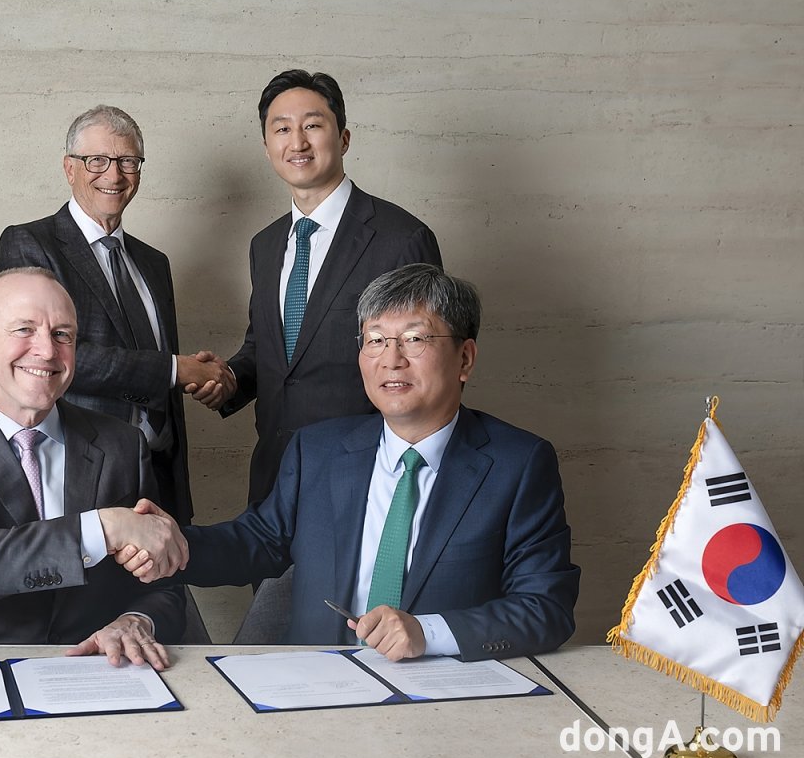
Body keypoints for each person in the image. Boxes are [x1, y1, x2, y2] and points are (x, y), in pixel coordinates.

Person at [124, 264, 579, 662]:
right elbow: (254, 543)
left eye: (415, 339)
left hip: (443, 694)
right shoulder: (318, 450)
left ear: (465, 358)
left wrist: (428, 633)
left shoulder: (518, 465)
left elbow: (546, 608)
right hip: (319, 688)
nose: (392, 360)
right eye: (375, 340)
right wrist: (170, 542)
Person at [0, 268, 189, 668]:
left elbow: (165, 580)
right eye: (24, 329)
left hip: (98, 670)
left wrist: (137, 620)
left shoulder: (123, 444)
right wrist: (101, 528)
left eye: (63, 335)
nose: (47, 350)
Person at [189, 70, 443, 506]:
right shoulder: (265, 245)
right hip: (274, 478)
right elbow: (271, 349)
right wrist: (229, 379)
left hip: (367, 477)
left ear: (343, 138)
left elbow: (428, 366)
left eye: (312, 125)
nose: (298, 142)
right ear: (267, 146)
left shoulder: (401, 239)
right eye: (282, 129)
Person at [0, 105, 227, 525]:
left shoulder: (153, 263)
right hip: (80, 475)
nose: (114, 175)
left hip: (159, 477)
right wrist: (177, 369)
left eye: (128, 161)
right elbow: (47, 357)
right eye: (97, 160)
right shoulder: (30, 244)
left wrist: (207, 379)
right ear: (69, 168)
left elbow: (160, 376)